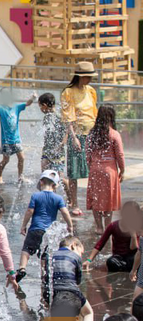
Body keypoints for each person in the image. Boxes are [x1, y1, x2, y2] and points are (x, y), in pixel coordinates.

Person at [16, 170, 74, 283]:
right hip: (48, 232)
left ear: (41, 182)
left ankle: (22, 268)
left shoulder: (36, 196)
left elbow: (29, 211)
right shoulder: (58, 198)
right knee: (45, 254)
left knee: (26, 250)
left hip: (35, 229)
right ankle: (45, 275)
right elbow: (65, 212)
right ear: (55, 185)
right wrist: (70, 226)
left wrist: (24, 225)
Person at [61, 61, 99, 218]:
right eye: (87, 77)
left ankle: (95, 202)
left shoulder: (91, 91)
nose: (89, 80)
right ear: (79, 77)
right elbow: (68, 118)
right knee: (74, 172)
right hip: (76, 134)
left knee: (94, 170)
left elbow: (94, 112)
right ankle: (74, 203)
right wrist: (74, 137)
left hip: (91, 134)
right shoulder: (68, 92)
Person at [86, 105, 125, 231]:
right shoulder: (114, 134)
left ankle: (98, 227)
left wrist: (90, 167)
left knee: (96, 198)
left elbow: (87, 153)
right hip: (110, 171)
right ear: (112, 117)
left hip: (95, 169)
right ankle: (108, 227)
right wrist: (122, 170)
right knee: (109, 199)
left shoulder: (92, 134)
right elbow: (119, 154)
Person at [48, 236, 94, 321]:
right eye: (81, 252)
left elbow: (46, 278)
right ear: (73, 246)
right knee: (88, 313)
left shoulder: (51, 256)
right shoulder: (75, 257)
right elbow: (78, 281)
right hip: (71, 290)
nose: (80, 256)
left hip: (56, 291)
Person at [0, 90, 36, 184]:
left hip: (17, 139)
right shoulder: (2, 109)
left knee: (22, 158)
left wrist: (33, 97)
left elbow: (27, 103)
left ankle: (20, 176)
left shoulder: (16, 107)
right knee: (6, 160)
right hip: (6, 140)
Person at [88, 203, 139, 273]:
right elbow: (100, 244)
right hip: (118, 257)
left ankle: (129, 269)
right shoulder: (113, 226)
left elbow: (134, 248)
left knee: (137, 260)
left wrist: (133, 236)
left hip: (132, 256)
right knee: (110, 261)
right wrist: (89, 260)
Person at [39, 92, 69, 190]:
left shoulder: (59, 116)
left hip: (58, 152)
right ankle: (50, 196)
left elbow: (67, 131)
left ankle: (70, 199)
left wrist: (61, 144)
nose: (40, 109)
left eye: (40, 106)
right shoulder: (46, 117)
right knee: (45, 175)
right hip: (47, 150)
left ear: (44, 105)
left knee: (60, 178)